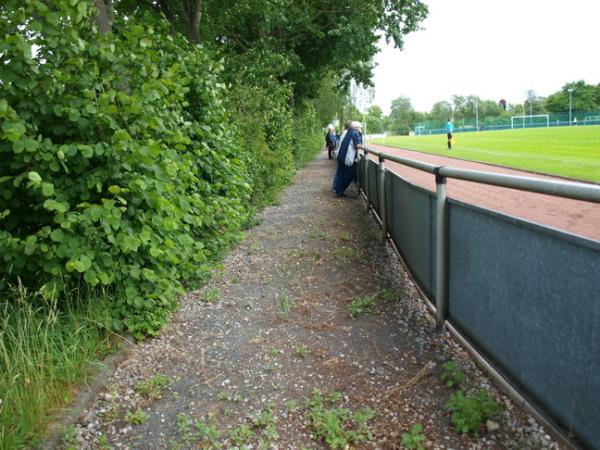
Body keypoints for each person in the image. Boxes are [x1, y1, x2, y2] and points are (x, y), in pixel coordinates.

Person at [333, 121, 364, 198]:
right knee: (351, 174)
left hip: (340, 156)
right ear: (356, 127)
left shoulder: (346, 132)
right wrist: (365, 147)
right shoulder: (355, 133)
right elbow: (357, 145)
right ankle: (340, 190)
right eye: (360, 128)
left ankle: (338, 191)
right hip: (347, 158)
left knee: (340, 173)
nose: (361, 129)